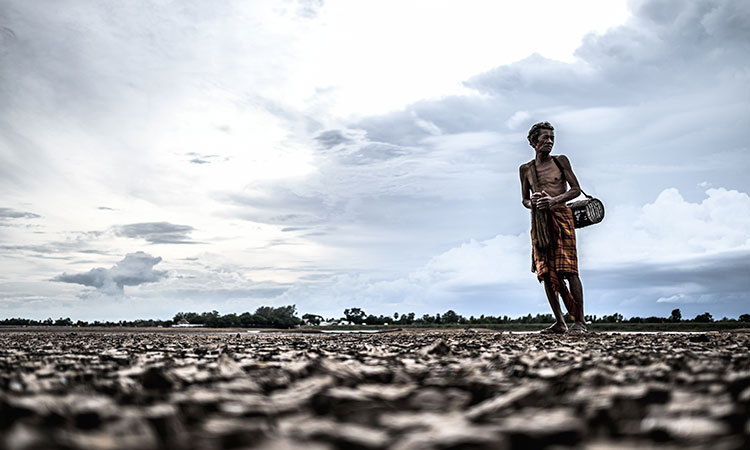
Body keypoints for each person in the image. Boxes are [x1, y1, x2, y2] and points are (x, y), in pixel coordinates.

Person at [519, 121, 587, 334]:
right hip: (540, 223)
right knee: (546, 272)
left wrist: (554, 200)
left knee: (569, 270)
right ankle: (560, 322)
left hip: (562, 218)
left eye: (552, 138)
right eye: (544, 138)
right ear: (533, 141)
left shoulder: (561, 162)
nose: (549, 142)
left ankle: (580, 321)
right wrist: (535, 203)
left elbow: (576, 190)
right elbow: (524, 200)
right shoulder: (525, 170)